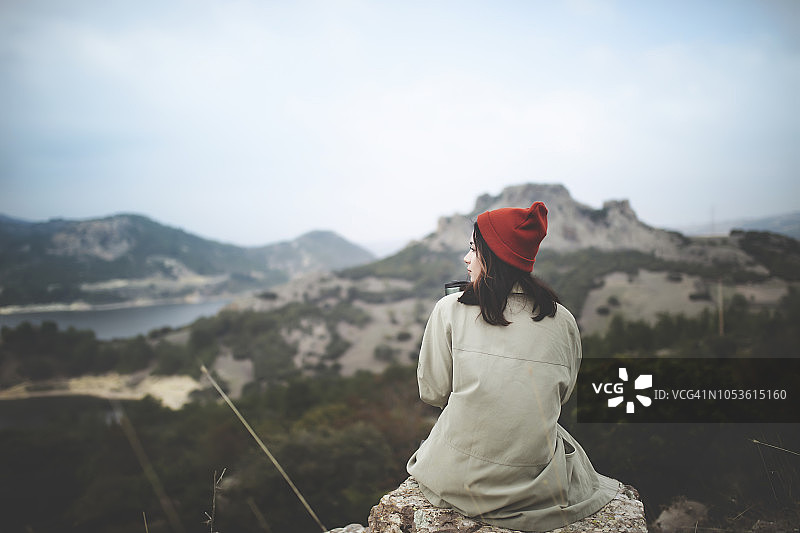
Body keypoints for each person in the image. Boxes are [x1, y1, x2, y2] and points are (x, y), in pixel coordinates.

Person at [406, 201, 620, 532]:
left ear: (492, 259)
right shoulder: (563, 320)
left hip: (460, 480)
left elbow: (432, 391)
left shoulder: (449, 310)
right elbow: (559, 396)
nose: (467, 259)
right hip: (536, 481)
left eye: (474, 250)